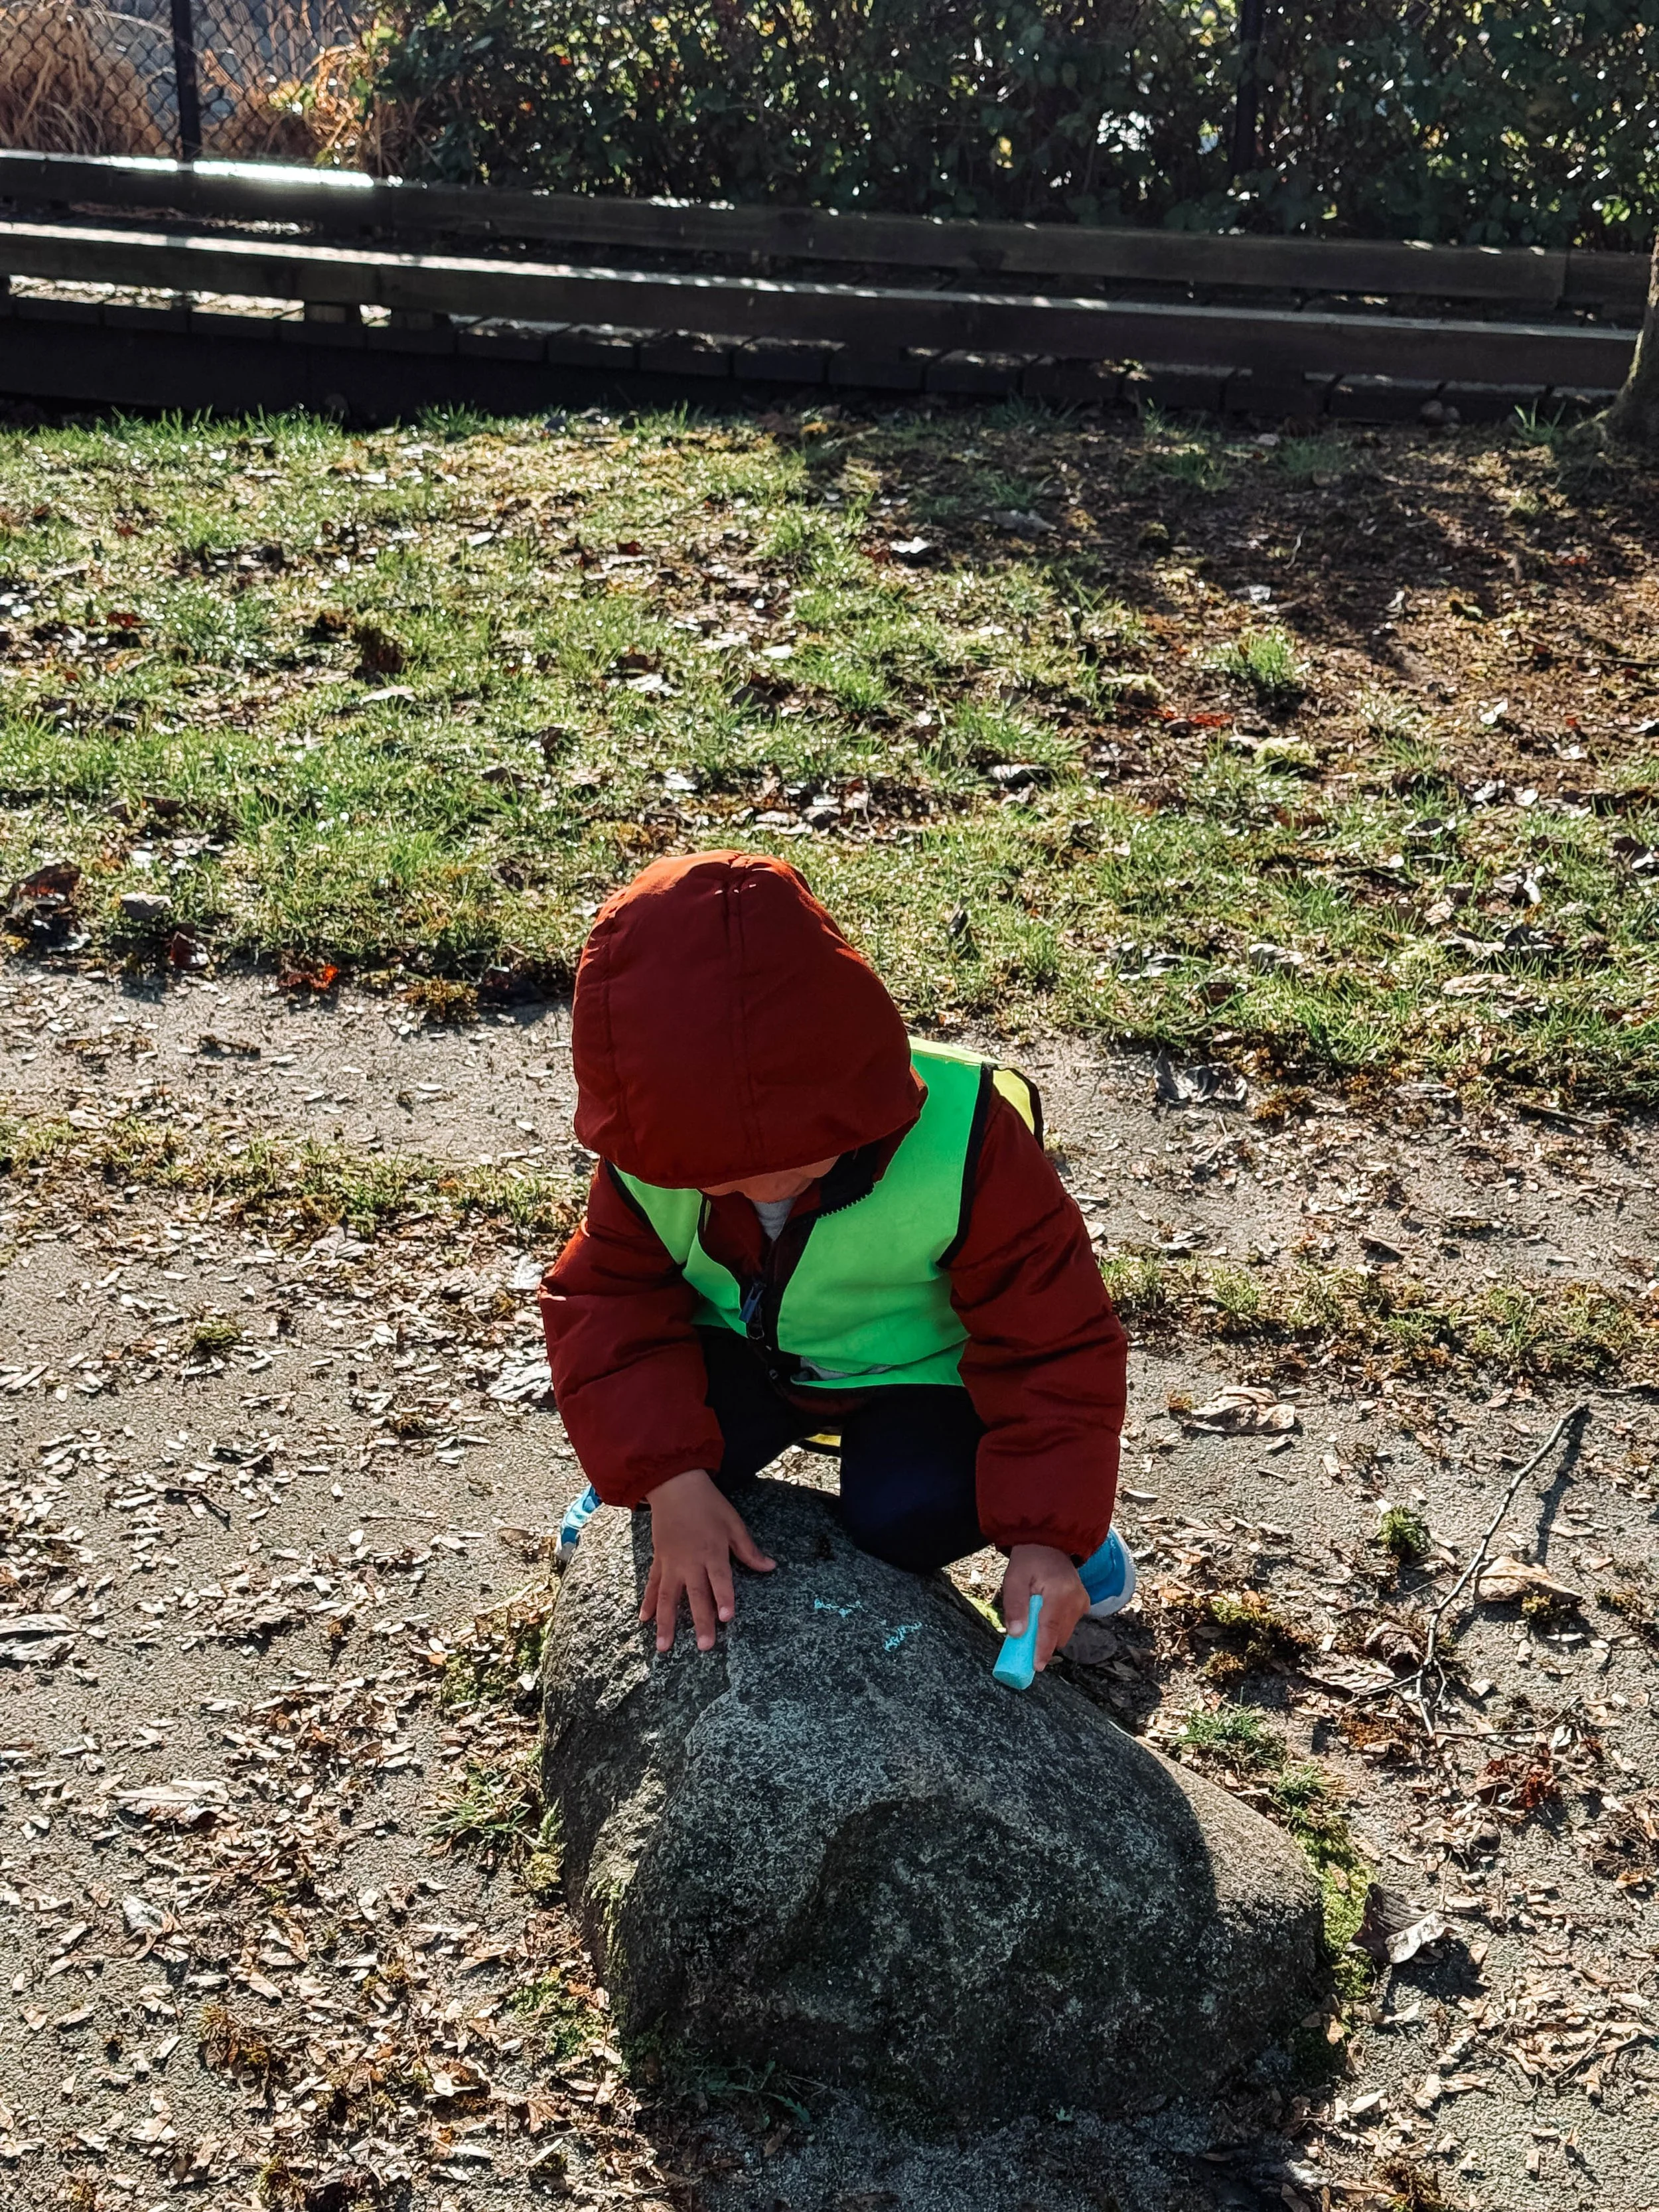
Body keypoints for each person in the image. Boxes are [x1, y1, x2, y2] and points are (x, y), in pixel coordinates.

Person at [540, 849, 1130, 1676]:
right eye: (719, 1170)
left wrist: (1046, 1532)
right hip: (746, 1353)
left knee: (906, 1519)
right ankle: (639, 1483)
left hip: (924, 1377)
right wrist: (666, 1482)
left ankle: (1085, 1538)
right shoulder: (645, 1149)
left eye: (802, 1152)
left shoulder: (967, 1137)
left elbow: (1053, 1340)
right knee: (647, 1454)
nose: (766, 1183)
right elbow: (606, 1306)